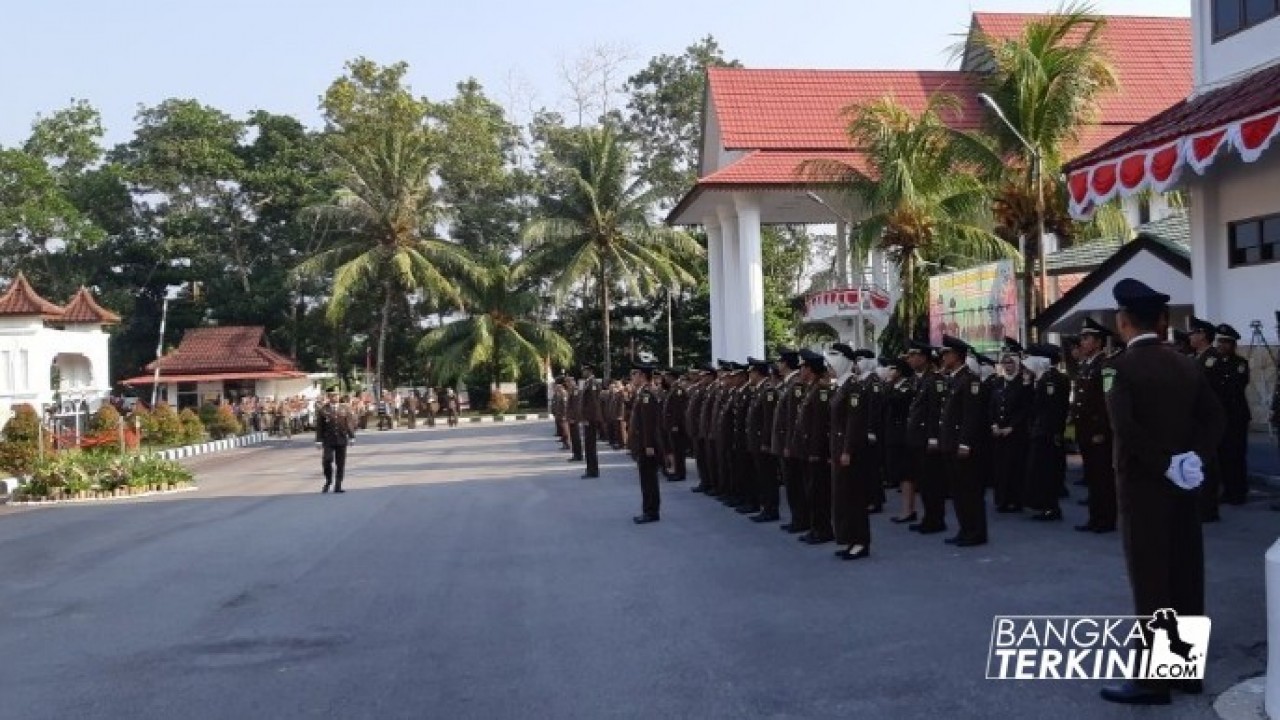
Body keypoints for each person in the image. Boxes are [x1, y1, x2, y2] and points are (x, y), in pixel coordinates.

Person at [1100, 278, 1225, 706]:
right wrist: (1193, 460)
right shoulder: (1187, 364)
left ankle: (1153, 681)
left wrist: (1164, 463)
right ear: (1161, 321)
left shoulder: (1116, 368)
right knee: (1185, 573)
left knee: (1151, 579)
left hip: (1143, 487)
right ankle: (1185, 672)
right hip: (1183, 486)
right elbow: (1215, 417)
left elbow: (1125, 428)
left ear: (1122, 321)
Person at [937, 335, 988, 547]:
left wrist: (965, 442)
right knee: (958, 491)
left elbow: (971, 415)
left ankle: (975, 531)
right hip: (951, 443)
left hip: (962, 445)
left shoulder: (970, 380)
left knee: (970, 490)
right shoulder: (954, 379)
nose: (943, 357)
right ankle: (965, 528)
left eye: (946, 353)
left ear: (957, 356)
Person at [1073, 318, 1117, 533]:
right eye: (1082, 338)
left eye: (1086, 338)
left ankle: (1106, 519)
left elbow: (1107, 400)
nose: (1082, 342)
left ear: (1098, 342)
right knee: (1092, 476)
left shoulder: (1105, 365)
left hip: (1098, 432)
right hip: (1085, 431)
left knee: (1102, 477)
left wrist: (1101, 430)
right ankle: (1094, 517)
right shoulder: (1085, 365)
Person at [1024, 343, 1070, 522]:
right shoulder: (1044, 378)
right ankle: (1045, 505)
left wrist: (1053, 433)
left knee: (1047, 472)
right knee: (1042, 472)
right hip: (1043, 432)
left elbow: (1051, 410)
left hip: (1047, 434)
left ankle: (1050, 507)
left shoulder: (1050, 380)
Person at [791, 349, 834, 545]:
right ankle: (816, 527)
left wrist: (816, 452)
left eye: (803, 367)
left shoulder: (822, 390)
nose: (800, 371)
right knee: (812, 491)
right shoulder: (811, 388)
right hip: (807, 449)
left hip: (815, 451)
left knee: (819, 492)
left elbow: (819, 424)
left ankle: (823, 529)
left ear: (811, 369)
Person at [1210, 324, 1251, 505]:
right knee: (1223, 455)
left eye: (1225, 342)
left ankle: (1239, 490)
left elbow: (1235, 386)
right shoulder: (1213, 362)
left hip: (1236, 416)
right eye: (1219, 342)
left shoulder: (1240, 364)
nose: (1221, 346)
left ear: (1232, 344)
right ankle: (1227, 489)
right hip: (1221, 416)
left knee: (1237, 453)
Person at [628, 364, 664, 524]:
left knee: (649, 478)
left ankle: (651, 511)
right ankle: (649, 509)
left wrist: (649, 445)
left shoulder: (647, 394)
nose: (633, 377)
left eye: (635, 374)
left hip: (647, 444)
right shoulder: (643, 392)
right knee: (646, 478)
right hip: (643, 442)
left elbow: (649, 423)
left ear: (642, 375)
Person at [316, 387, 356, 493]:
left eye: (337, 395)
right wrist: (318, 440)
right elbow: (320, 426)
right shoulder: (323, 409)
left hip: (341, 439)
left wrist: (352, 436)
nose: (335, 397)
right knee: (327, 460)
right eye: (333, 395)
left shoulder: (345, 408)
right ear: (329, 397)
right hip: (328, 440)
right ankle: (328, 480)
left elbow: (349, 423)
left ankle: (338, 485)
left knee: (340, 463)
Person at [579, 365, 602, 478]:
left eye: (585, 370)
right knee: (588, 445)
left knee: (590, 445)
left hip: (591, 419)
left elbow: (593, 403)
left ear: (590, 371)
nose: (583, 372)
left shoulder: (593, 383)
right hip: (588, 418)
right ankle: (590, 469)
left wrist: (588, 418)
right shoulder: (588, 382)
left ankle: (593, 470)